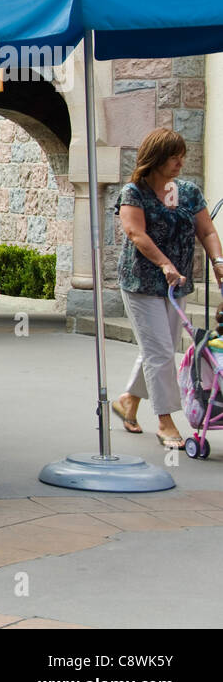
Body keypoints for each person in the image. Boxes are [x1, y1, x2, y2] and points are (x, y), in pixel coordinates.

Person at [111, 128, 223, 449]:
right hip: (141, 283)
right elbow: (136, 233)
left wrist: (217, 261)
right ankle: (165, 420)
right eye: (173, 155)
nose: (180, 161)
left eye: (181, 154)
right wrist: (164, 263)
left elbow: (208, 231)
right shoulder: (135, 192)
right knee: (160, 351)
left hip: (177, 285)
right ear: (156, 158)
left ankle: (129, 401)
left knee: (160, 348)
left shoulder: (188, 192)